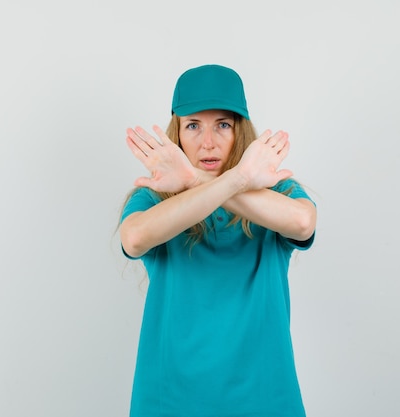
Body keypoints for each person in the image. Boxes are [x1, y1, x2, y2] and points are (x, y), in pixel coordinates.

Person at [118, 64, 317, 417]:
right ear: (176, 133)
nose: (207, 142)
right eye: (193, 126)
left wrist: (198, 179)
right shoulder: (156, 195)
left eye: (222, 125)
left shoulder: (275, 189)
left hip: (266, 401)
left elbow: (302, 222)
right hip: (170, 403)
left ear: (240, 131)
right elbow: (133, 239)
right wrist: (223, 181)